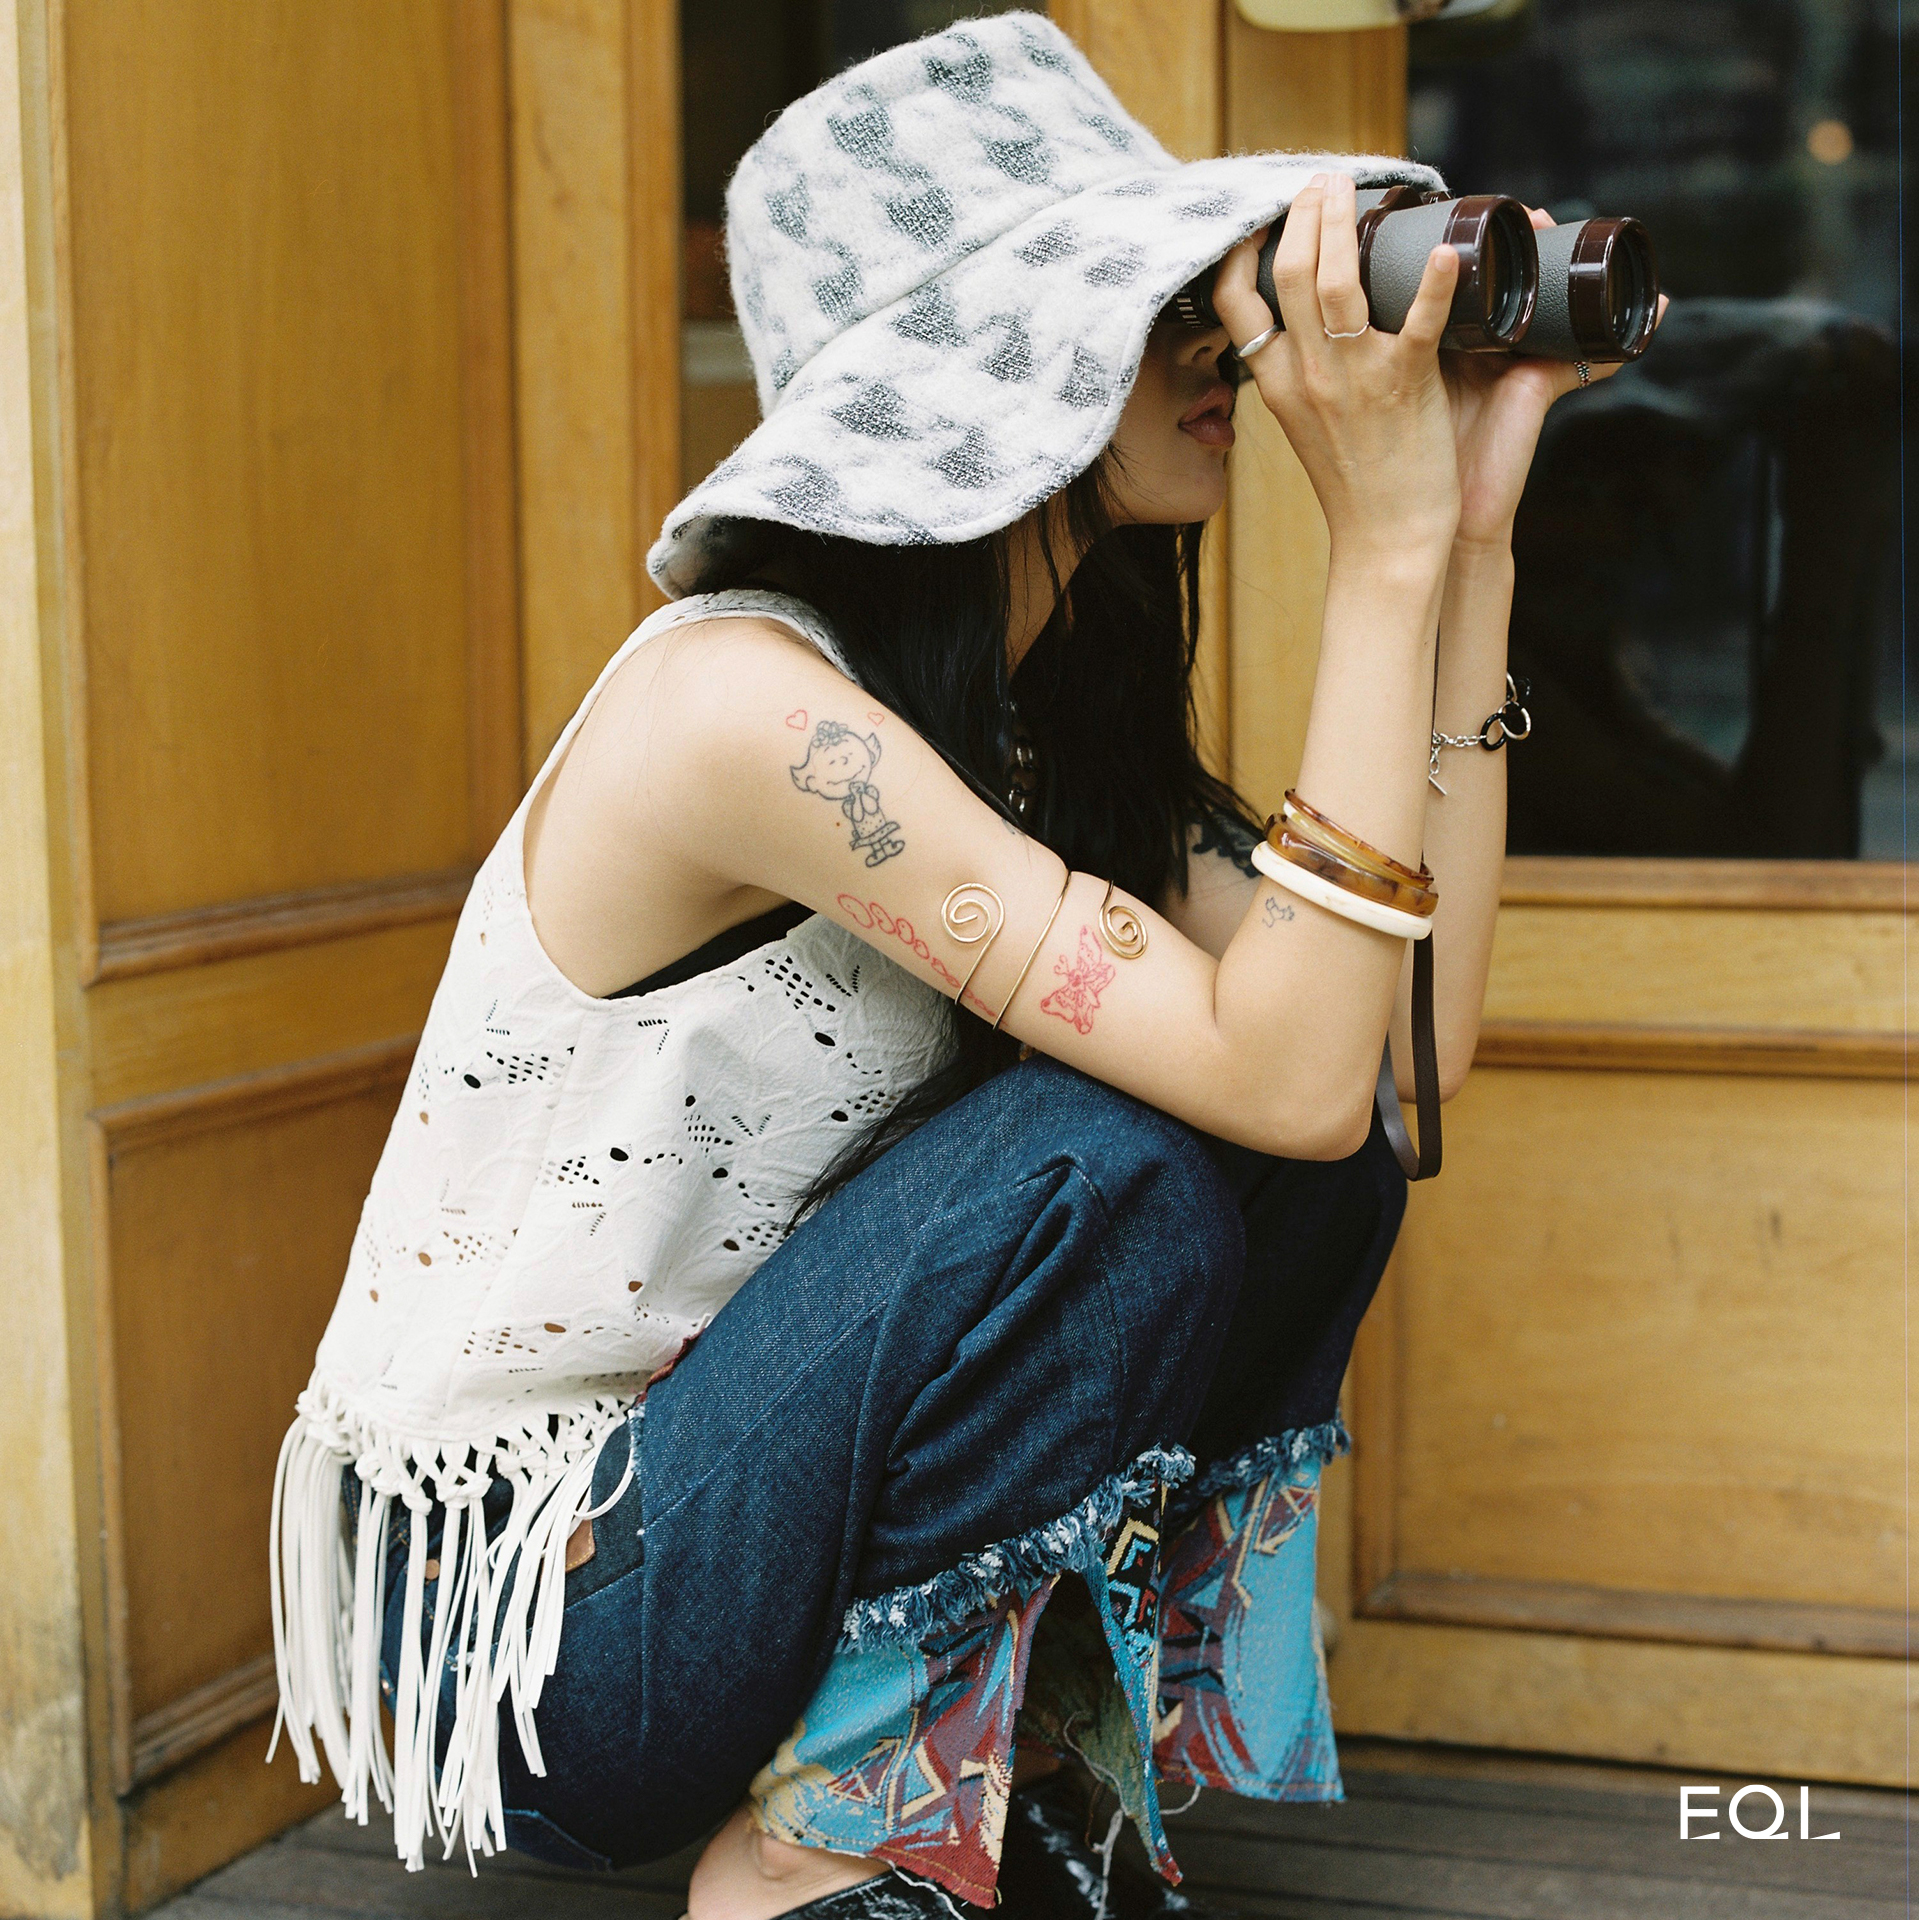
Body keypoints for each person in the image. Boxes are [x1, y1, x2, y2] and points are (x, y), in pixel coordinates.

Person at [266, 14, 1626, 1918]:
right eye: (1157, 303)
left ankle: (1015, 1749)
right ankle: (815, 1853)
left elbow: (1387, 1066)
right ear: (993, 372)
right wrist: (1375, 555)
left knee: (1294, 1164)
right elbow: (1289, 1076)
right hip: (530, 1623)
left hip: (704, 1517)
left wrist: (1466, 548)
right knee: (1106, 1164)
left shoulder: (1025, 733)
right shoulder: (749, 715)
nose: (1220, 347)